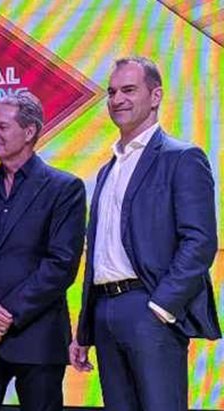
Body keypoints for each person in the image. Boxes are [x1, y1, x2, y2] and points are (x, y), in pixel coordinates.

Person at [70, 57, 221, 410]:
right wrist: (85, 328)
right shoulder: (107, 170)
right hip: (105, 310)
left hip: (149, 307)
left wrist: (162, 306)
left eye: (128, 90)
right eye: (111, 92)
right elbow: (100, 252)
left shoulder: (182, 157)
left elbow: (200, 241)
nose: (117, 99)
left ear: (156, 96)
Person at [0, 92, 86, 411]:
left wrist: (3, 315)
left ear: (29, 132)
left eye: (2, 126)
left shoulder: (64, 188)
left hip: (37, 337)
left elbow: (61, 265)